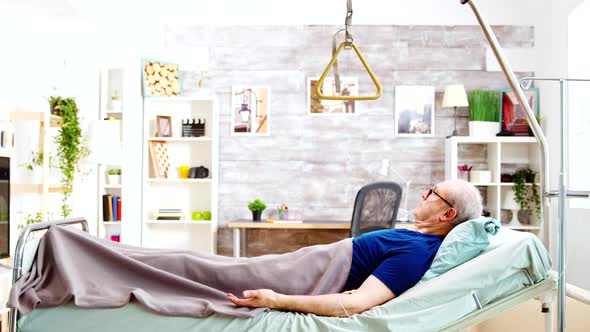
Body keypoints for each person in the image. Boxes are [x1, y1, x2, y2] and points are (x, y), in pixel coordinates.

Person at [227, 179, 483, 317]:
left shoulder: (416, 253)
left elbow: (356, 303)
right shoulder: (416, 236)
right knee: (224, 266)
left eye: (432, 193)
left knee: (215, 272)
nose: (423, 196)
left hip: (319, 270)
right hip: (310, 261)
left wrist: (276, 300)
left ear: (448, 214)